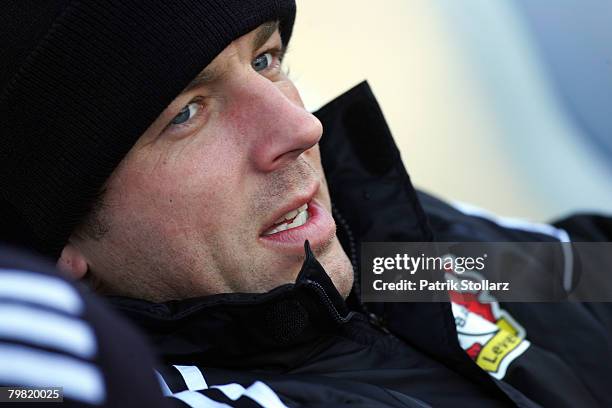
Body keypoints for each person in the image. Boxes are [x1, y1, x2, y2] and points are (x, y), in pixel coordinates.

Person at [1, 1, 611, 406]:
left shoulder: (390, 251)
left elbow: (589, 275)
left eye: (266, 60)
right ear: (62, 245)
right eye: (186, 113)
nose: (300, 127)